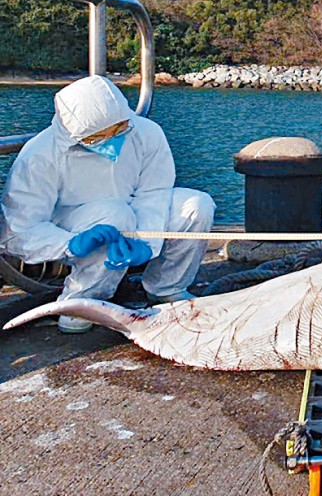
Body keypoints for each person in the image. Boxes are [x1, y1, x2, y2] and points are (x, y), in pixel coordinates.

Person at [0, 75, 215, 333]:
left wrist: (147, 243)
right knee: (113, 214)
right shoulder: (40, 156)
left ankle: (167, 287)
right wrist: (68, 244)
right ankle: (82, 300)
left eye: (119, 128)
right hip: (74, 229)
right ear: (75, 134)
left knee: (197, 205)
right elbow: (19, 229)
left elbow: (154, 192)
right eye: (98, 136)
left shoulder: (146, 133)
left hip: (129, 213)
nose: (113, 139)